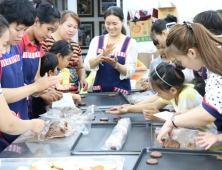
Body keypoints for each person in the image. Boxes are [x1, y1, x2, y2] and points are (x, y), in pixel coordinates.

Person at [0, 0, 62, 152]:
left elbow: (21, 84)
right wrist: (35, 87)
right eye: (18, 29)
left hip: (20, 121)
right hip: (6, 128)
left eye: (24, 30)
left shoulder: (15, 49)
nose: (21, 35)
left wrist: (39, 90)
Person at [156, 22, 222, 150]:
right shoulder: (211, 64)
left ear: (192, 53)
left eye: (179, 61)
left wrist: (172, 122)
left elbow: (208, 114)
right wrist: (189, 114)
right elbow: (213, 104)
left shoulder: (217, 69)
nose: (183, 66)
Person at [0, 15, 45, 138]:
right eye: (3, 45)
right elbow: (7, 125)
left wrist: (37, 91)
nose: (3, 52)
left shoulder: (16, 49)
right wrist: (31, 125)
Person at [106, 62, 203, 120]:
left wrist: (158, 116)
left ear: (172, 90)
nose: (158, 95)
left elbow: (183, 122)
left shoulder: (185, 96)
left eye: (159, 92)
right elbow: (153, 106)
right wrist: (129, 108)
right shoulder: (176, 92)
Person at [18, 1, 61, 118]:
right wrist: (40, 93)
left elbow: (36, 78)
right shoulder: (19, 42)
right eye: (49, 29)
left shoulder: (38, 44)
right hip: (16, 101)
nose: (49, 34)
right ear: (36, 21)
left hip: (29, 102)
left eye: (52, 31)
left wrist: (46, 91)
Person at [84, 6, 138, 94]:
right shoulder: (96, 40)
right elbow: (88, 65)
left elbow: (130, 70)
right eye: (108, 23)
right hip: (99, 93)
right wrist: (101, 56)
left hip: (121, 93)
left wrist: (115, 64)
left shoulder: (130, 43)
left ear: (123, 21)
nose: (111, 27)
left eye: (115, 23)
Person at [43, 10, 88, 94]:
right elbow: (42, 69)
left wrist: (82, 79)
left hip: (73, 92)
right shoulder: (46, 41)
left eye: (75, 27)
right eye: (69, 26)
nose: (72, 30)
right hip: (53, 92)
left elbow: (80, 67)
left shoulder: (75, 45)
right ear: (59, 24)